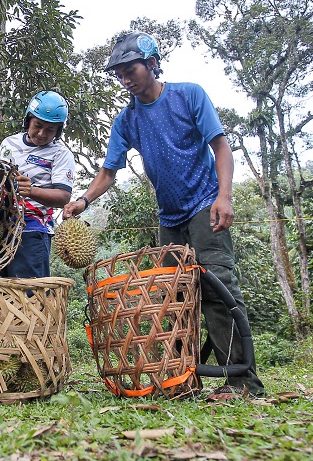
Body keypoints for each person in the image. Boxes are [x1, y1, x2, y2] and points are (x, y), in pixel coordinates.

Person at [62, 32, 265, 397]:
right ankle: (181, 380)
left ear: (152, 63)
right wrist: (83, 201)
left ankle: (242, 382)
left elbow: (220, 146)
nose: (125, 80)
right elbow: (108, 172)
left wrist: (224, 196)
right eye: (119, 74)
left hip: (205, 204)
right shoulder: (126, 120)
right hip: (168, 218)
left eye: (131, 70)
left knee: (217, 287)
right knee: (174, 298)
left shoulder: (188, 95)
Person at [0, 91, 77, 278]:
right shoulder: (8, 144)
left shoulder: (60, 154)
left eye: (50, 129)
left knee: (30, 292)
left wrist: (31, 191)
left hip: (33, 230)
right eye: (38, 125)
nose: (42, 134)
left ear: (58, 131)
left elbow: (63, 197)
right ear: (28, 121)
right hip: (0, 226)